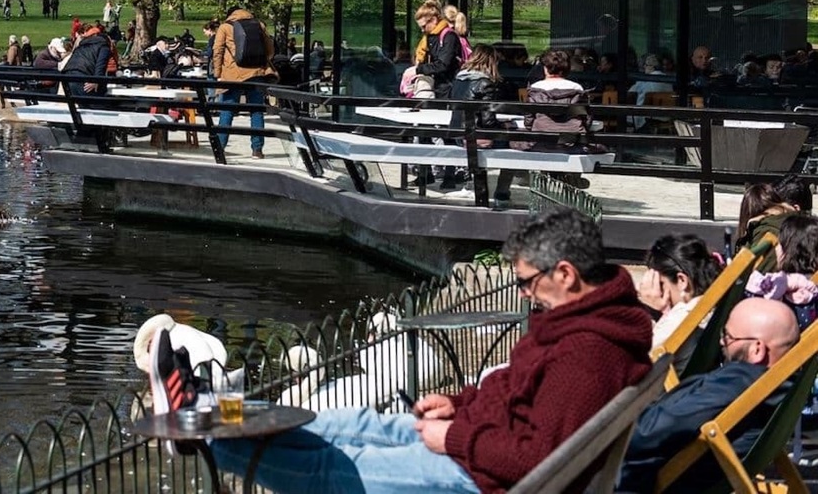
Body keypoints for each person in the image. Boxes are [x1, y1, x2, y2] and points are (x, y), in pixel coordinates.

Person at [204, 208, 653, 494]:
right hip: (474, 442)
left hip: (476, 474)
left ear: (567, 274)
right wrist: (459, 403)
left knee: (336, 464)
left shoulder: (587, 354)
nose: (524, 295)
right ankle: (212, 413)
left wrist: (455, 437)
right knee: (349, 422)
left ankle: (205, 439)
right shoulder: (584, 321)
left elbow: (537, 459)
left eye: (526, 282)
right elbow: (520, 398)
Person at [617, 298, 800, 494]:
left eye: (728, 336)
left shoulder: (736, 384)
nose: (722, 341)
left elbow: (649, 432)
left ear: (757, 349)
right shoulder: (780, 387)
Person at [637, 234, 723, 371]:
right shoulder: (709, 307)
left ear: (682, 281)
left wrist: (648, 310)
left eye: (660, 284)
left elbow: (638, 362)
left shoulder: (683, 316)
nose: (657, 291)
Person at [446, 44, 515, 196]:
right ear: (491, 61)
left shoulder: (459, 79)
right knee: (515, 144)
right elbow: (488, 122)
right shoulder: (485, 83)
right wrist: (506, 125)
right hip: (474, 139)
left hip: (457, 135)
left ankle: (473, 185)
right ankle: (502, 192)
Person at [212, 6, 276, 160]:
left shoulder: (225, 27)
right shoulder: (259, 25)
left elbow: (217, 50)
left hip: (232, 74)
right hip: (256, 73)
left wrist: (217, 74)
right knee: (256, 111)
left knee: (227, 110)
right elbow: (270, 48)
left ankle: (220, 147)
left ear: (230, 14)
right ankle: (257, 150)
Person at [745, 212, 818, 330]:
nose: (777, 248)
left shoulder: (780, 286)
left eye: (780, 244)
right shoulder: (812, 289)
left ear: (786, 251)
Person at [62, 22, 111, 95]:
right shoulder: (103, 46)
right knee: (97, 104)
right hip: (83, 77)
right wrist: (96, 81)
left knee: (82, 104)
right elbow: (101, 65)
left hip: (67, 77)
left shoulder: (81, 47)